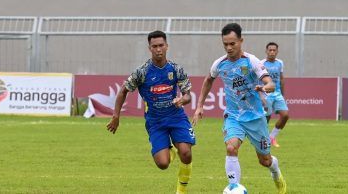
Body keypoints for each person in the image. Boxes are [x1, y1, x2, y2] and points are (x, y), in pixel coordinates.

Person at [192, 23, 287, 194]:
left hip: (256, 118)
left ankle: (276, 171)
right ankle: (234, 187)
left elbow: (270, 82)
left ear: (241, 41)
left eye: (232, 44)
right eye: (225, 44)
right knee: (231, 147)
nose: (229, 48)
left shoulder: (252, 61)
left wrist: (265, 88)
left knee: (264, 160)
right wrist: (199, 106)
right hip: (233, 116)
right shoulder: (219, 64)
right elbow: (208, 80)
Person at [107, 31, 195, 194]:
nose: (158, 49)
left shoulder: (176, 69)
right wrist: (116, 116)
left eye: (161, 45)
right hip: (155, 122)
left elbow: (188, 95)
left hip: (176, 117)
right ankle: (171, 150)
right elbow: (123, 91)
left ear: (167, 46)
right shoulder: (142, 72)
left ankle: (181, 190)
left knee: (186, 153)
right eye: (154, 46)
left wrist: (182, 100)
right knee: (163, 164)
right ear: (150, 48)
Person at [261, 42, 290, 148]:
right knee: (266, 118)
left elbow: (281, 78)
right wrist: (260, 94)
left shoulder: (280, 63)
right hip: (266, 93)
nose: (272, 52)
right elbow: (257, 79)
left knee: (285, 115)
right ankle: (264, 140)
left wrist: (282, 94)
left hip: (277, 94)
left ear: (277, 51)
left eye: (274, 50)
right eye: (270, 50)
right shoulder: (261, 63)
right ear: (266, 51)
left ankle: (272, 136)